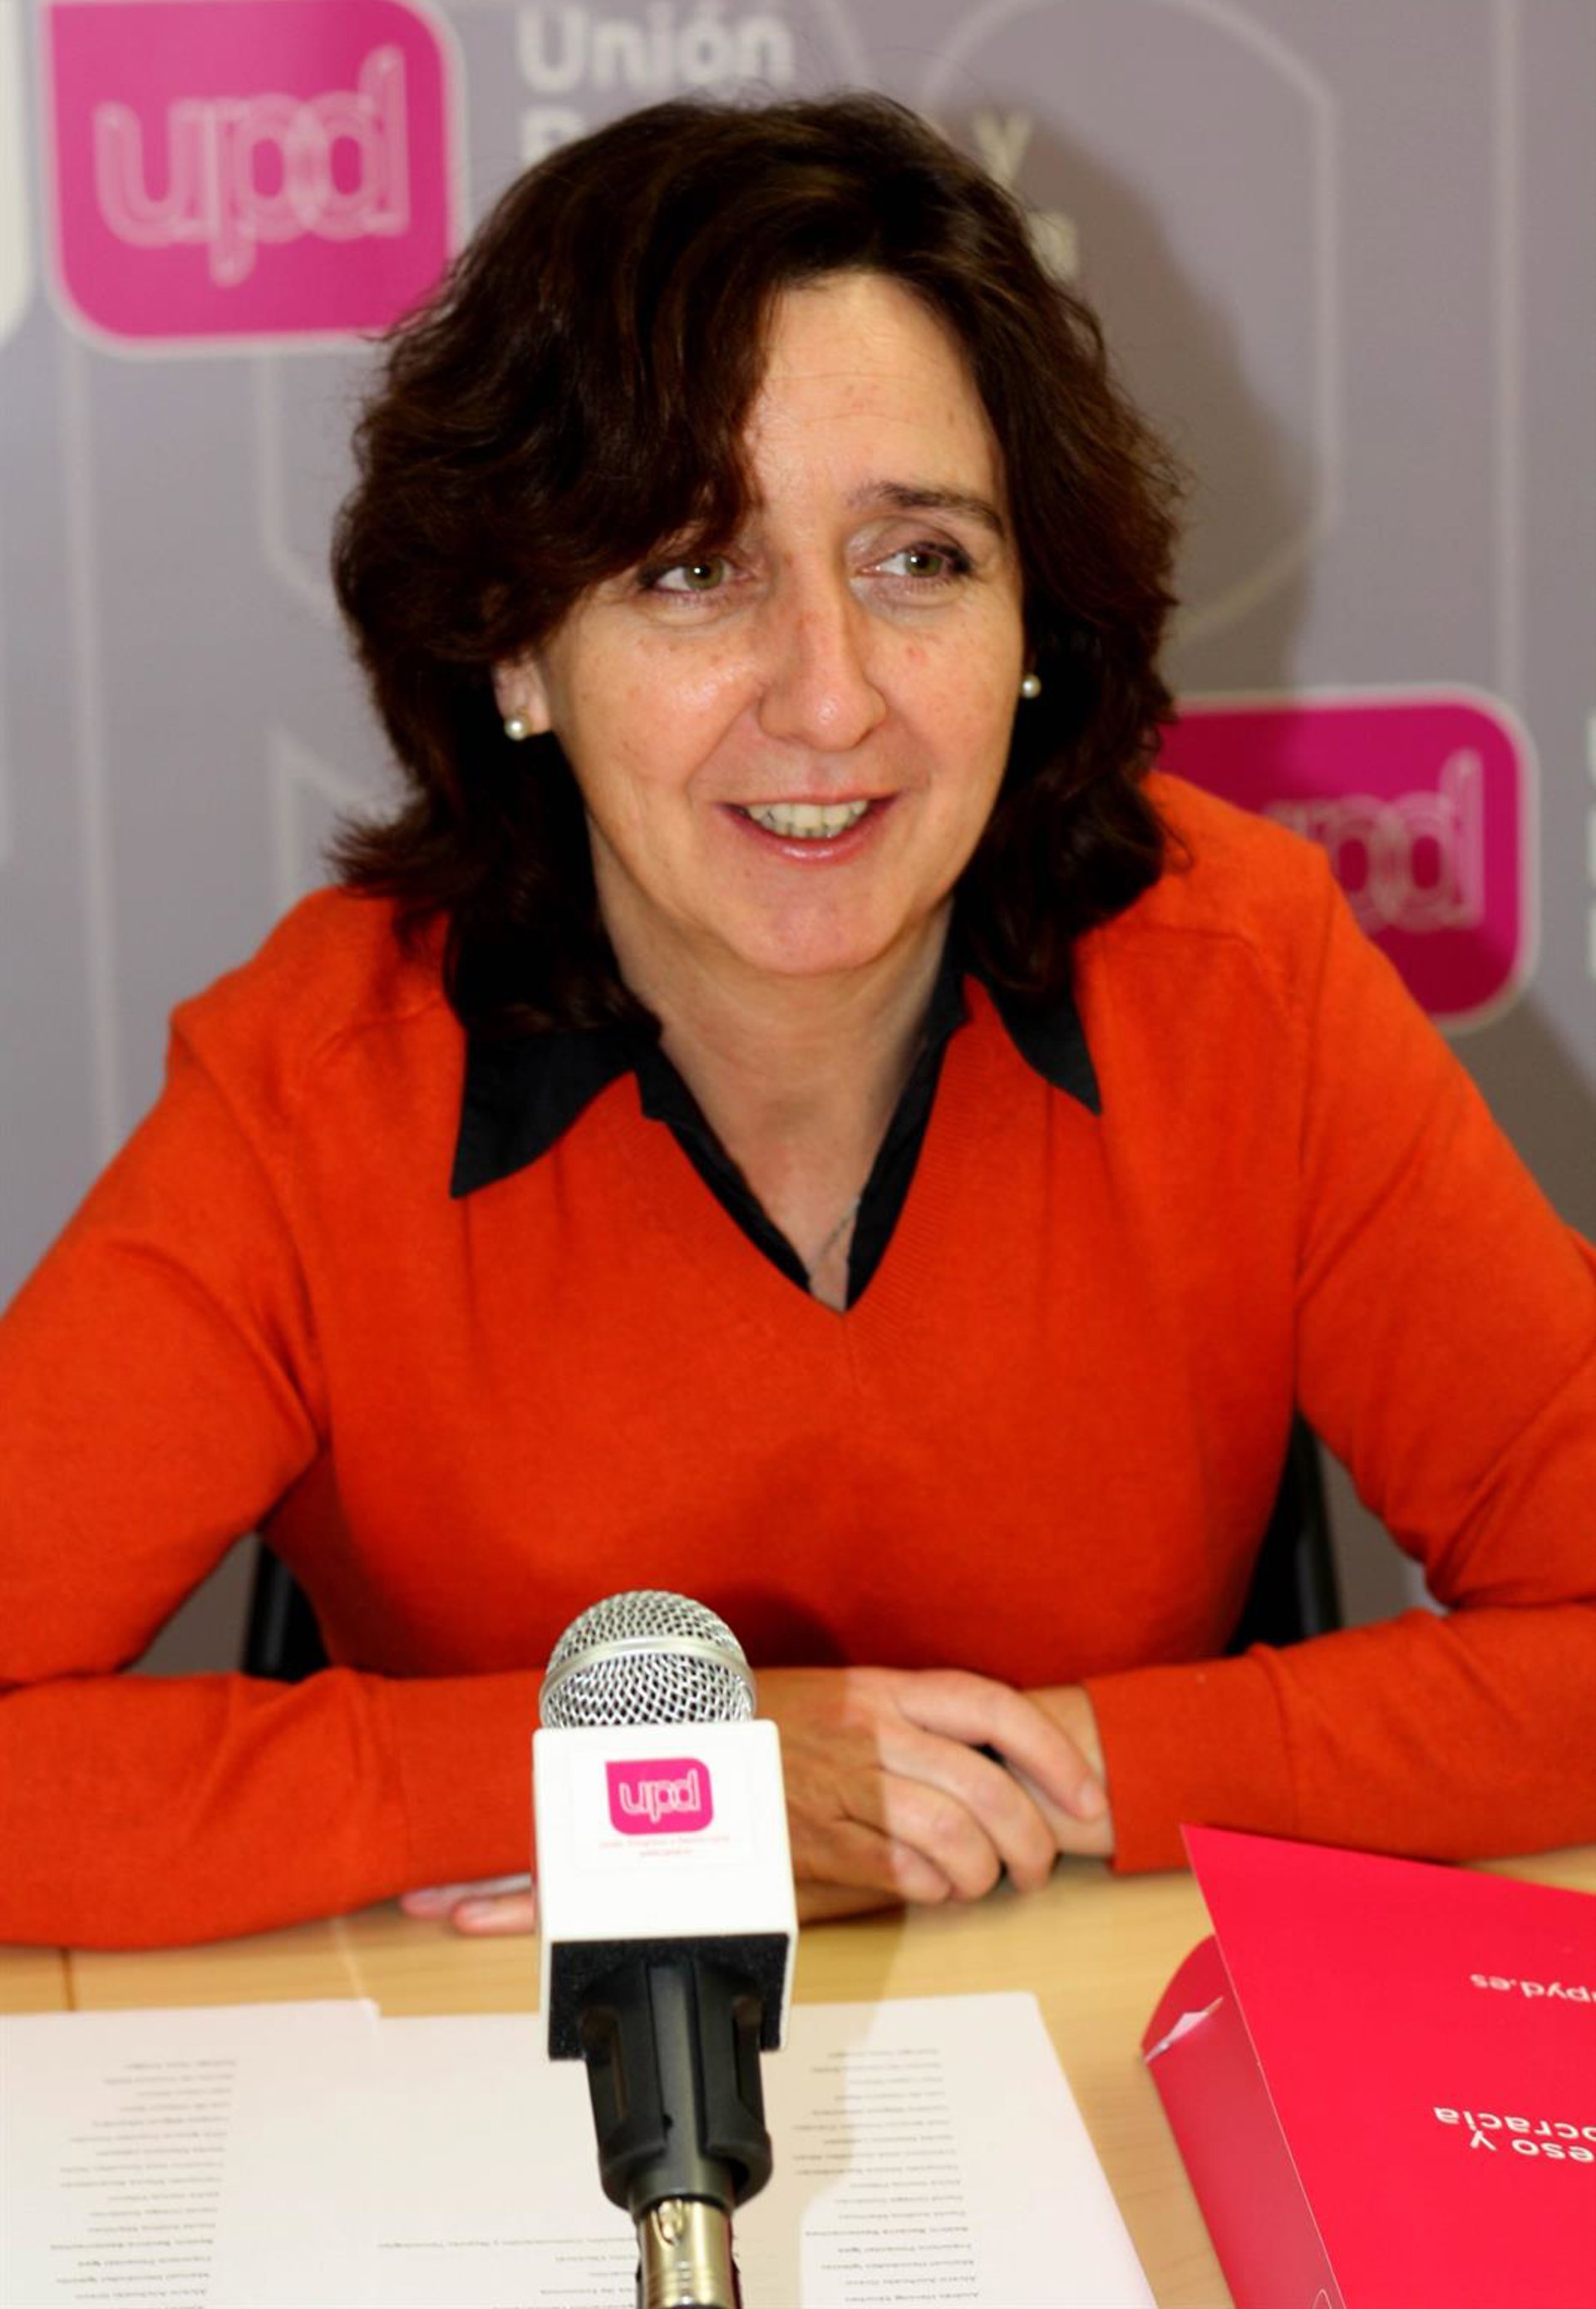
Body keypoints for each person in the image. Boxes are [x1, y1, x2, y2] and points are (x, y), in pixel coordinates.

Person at [2, 96, 1592, 1952]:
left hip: (1095, 2062)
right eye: (695, 567)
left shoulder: (1245, 979)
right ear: (514, 645)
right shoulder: (319, 1080)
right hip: (510, 2076)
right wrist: (653, 1787)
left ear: (1032, 620)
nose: (829, 700)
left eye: (920, 559)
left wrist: (1046, 1773)